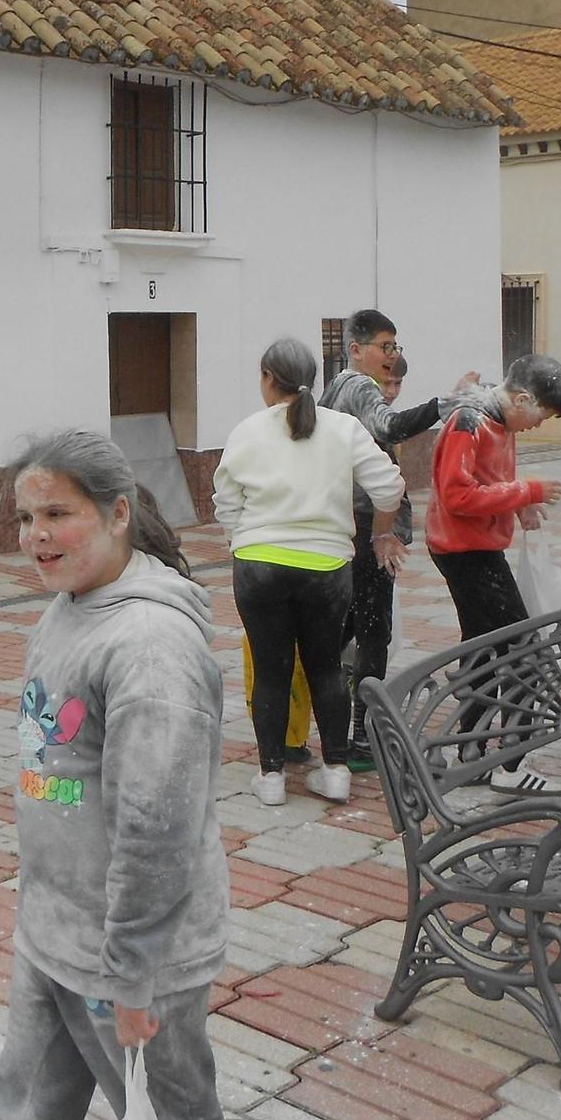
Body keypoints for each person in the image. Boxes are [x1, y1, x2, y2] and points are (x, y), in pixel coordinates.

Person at [0, 431, 228, 1120]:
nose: (36, 537)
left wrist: (130, 977)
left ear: (118, 514)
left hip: (133, 961)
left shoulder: (151, 645)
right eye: (26, 520)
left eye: (57, 514)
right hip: (55, 933)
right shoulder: (71, 604)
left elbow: (156, 826)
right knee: (23, 1111)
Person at [214, 337, 406, 807]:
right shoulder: (343, 429)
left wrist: (245, 538)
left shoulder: (247, 431)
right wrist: (380, 534)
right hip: (326, 568)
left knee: (271, 669)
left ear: (266, 378)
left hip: (258, 566)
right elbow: (389, 486)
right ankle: (335, 772)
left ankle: (272, 778)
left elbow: (224, 501)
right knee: (325, 668)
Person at [320, 309, 477, 772]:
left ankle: (337, 733)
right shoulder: (359, 387)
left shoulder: (336, 390)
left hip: (348, 524)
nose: (392, 358)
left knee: (345, 630)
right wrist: (447, 404)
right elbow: (387, 427)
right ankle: (361, 740)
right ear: (356, 349)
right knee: (372, 634)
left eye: (395, 348)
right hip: (369, 528)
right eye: (385, 348)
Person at [426, 356, 561, 795]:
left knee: (483, 650)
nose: (538, 425)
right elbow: (458, 495)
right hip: (466, 552)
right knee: (524, 653)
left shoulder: (497, 422)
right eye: (541, 415)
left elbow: (489, 479)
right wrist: (527, 490)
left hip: (474, 549)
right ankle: (512, 764)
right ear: (523, 398)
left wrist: (518, 504)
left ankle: (471, 752)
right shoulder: (470, 422)